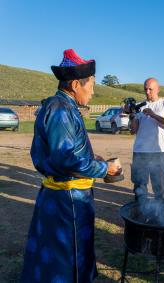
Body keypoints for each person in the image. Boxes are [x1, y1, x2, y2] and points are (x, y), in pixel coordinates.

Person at [21, 49, 121, 283]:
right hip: (67, 201)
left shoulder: (63, 107)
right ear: (76, 84)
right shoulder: (60, 110)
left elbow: (69, 151)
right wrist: (104, 169)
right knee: (65, 259)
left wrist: (94, 159)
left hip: (66, 197)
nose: (94, 91)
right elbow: (66, 159)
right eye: (92, 85)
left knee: (61, 255)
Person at [129, 77, 164, 199]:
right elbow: (133, 131)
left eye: (150, 89)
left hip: (158, 152)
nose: (147, 92)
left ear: (158, 89)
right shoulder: (139, 106)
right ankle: (139, 213)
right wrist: (133, 117)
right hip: (139, 151)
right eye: (145, 89)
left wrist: (153, 114)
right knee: (139, 187)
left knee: (161, 187)